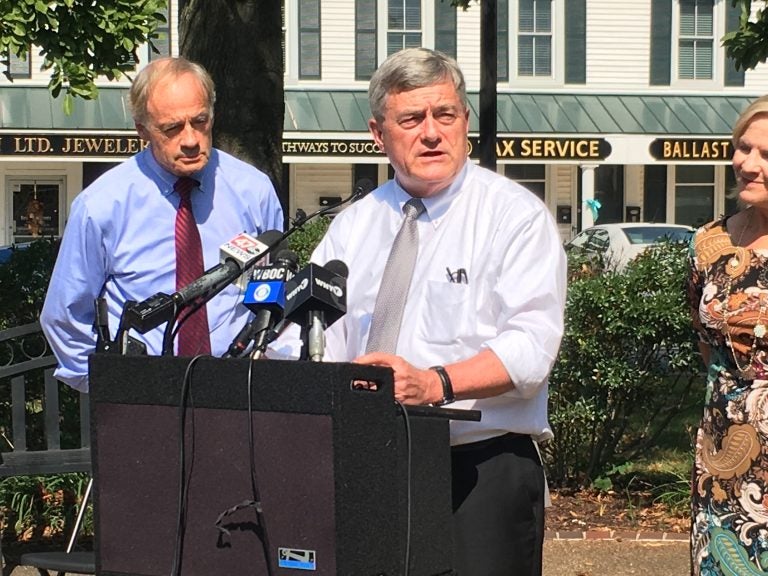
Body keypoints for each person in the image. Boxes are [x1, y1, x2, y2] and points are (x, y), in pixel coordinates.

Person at [309, 48, 566, 575]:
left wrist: (434, 384)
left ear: (465, 122)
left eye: (444, 115)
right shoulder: (351, 227)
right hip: (370, 467)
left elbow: (531, 348)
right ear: (379, 134)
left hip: (479, 468)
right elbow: (316, 338)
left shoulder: (513, 217)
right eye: (411, 119)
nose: (431, 132)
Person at [40, 57, 284, 393]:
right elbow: (65, 313)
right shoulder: (101, 206)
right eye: (172, 128)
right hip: (145, 395)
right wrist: (109, 389)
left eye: (200, 121)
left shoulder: (253, 191)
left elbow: (273, 289)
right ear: (142, 130)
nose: (190, 139)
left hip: (238, 391)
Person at [688, 95, 768, 575]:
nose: (746, 163)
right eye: (743, 148)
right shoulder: (708, 244)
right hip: (723, 462)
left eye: (765, 154)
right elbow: (706, 342)